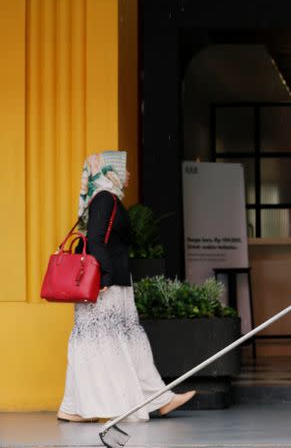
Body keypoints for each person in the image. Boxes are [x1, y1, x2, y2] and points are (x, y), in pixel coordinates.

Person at [58, 151, 195, 422]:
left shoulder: (108, 199)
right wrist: (106, 276)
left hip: (114, 283)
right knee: (107, 343)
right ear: (112, 172)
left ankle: (157, 398)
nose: (129, 174)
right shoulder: (105, 200)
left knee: (120, 342)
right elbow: (96, 240)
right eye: (125, 169)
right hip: (105, 286)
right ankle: (97, 406)